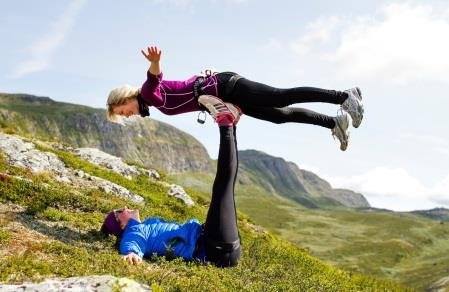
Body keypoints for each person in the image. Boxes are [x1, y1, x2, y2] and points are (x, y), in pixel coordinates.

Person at [106, 46, 364, 151]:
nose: (126, 115)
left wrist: (155, 62)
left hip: (227, 86)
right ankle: (334, 123)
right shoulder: (155, 102)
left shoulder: (149, 94)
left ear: (127, 97)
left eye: (122, 110)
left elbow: (154, 78)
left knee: (280, 97)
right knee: (279, 117)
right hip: (227, 96)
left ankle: (344, 96)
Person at [101, 98, 242, 267]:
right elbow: (132, 243)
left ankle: (230, 121)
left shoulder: (146, 226)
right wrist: (131, 253)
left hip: (217, 244)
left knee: (225, 184)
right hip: (213, 247)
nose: (123, 208)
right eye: (118, 212)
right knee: (223, 186)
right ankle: (226, 121)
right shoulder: (133, 231)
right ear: (121, 225)